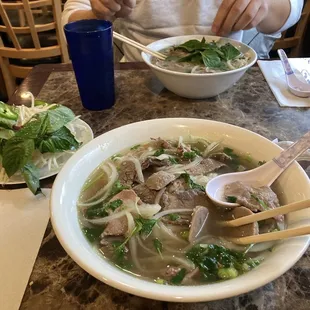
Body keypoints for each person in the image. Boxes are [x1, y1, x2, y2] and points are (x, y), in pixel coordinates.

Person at [62, 0, 304, 61]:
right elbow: (72, 14)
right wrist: (99, 12)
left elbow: (289, 12)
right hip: (140, 74)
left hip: (223, 73)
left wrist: (264, 5)